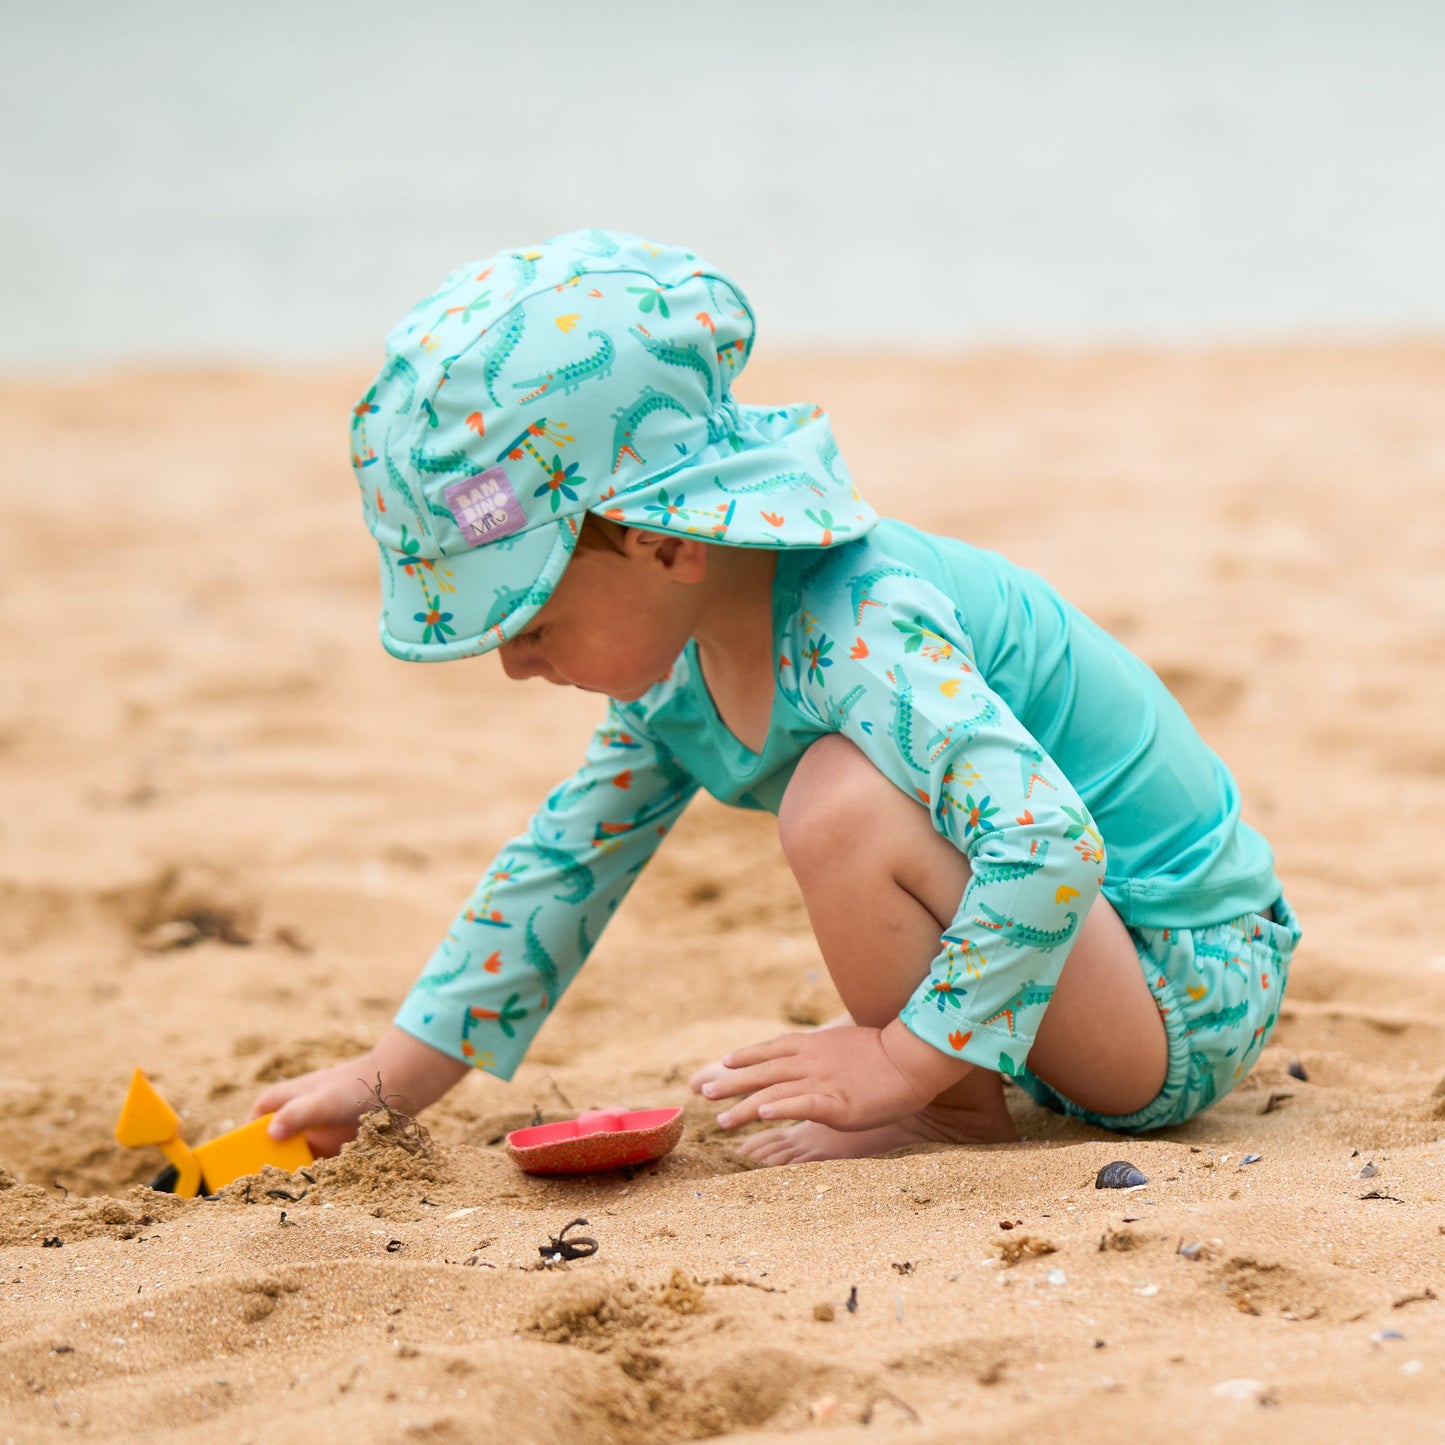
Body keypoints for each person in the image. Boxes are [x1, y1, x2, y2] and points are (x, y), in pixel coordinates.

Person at [249, 229, 1300, 1166]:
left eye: (527, 618)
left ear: (660, 540)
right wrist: (388, 1078)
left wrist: (899, 1061)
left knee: (840, 795)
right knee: (833, 790)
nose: (515, 664)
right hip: (1064, 987)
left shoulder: (865, 626)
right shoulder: (677, 667)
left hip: (1182, 987)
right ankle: (959, 1083)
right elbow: (564, 863)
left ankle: (950, 1103)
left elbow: (1049, 841)